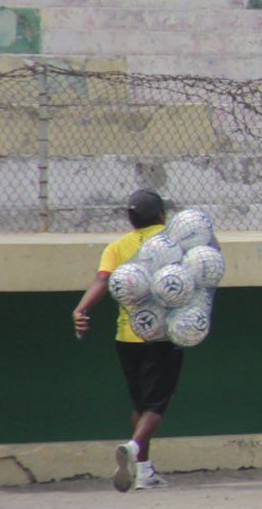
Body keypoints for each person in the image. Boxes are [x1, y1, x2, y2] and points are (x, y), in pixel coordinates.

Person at [69, 190, 180, 492]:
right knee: (157, 403)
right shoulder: (173, 242)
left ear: (131, 219)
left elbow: (102, 281)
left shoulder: (117, 247)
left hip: (126, 336)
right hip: (163, 334)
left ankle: (143, 472)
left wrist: (82, 308)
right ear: (161, 215)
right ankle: (133, 447)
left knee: (141, 404)